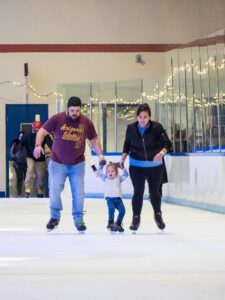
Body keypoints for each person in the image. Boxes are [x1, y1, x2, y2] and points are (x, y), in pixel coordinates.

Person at [33, 96, 105, 233]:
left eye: (77, 111)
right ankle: (54, 217)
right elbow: (42, 131)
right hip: (57, 163)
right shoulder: (57, 119)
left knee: (78, 193)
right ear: (67, 109)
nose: (75, 114)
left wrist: (100, 154)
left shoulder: (86, 122)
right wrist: (38, 145)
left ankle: (78, 219)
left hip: (77, 164)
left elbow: (94, 140)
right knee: (54, 190)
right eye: (72, 111)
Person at [120, 103, 172, 232]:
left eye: (145, 117)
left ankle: (158, 215)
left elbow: (168, 143)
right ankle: (136, 218)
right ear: (137, 117)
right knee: (138, 192)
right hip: (136, 166)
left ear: (149, 117)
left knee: (155, 192)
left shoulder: (157, 128)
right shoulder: (131, 128)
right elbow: (127, 144)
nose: (142, 120)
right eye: (140, 117)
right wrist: (122, 159)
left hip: (155, 167)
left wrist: (161, 153)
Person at [21, 121, 53, 198]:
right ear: (32, 128)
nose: (37, 131)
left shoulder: (44, 135)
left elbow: (50, 144)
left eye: (38, 130)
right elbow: (21, 145)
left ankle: (40, 192)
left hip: (40, 158)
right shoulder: (26, 136)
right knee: (30, 170)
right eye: (35, 130)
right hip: (30, 156)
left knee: (40, 176)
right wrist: (22, 155)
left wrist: (54, 151)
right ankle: (27, 191)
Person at [98, 161, 128, 232]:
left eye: (112, 171)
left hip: (118, 199)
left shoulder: (118, 179)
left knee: (122, 210)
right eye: (108, 171)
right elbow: (99, 173)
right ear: (106, 173)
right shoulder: (105, 179)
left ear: (116, 172)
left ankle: (118, 223)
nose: (110, 173)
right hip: (109, 199)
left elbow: (126, 174)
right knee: (111, 209)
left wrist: (122, 167)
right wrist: (101, 166)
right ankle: (110, 222)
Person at [10, 131, 27, 197]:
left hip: (26, 164)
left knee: (27, 180)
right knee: (19, 179)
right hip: (18, 164)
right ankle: (19, 194)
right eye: (20, 136)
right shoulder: (15, 143)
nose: (21, 138)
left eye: (22, 136)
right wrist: (15, 158)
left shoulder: (26, 143)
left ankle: (27, 193)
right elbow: (11, 153)